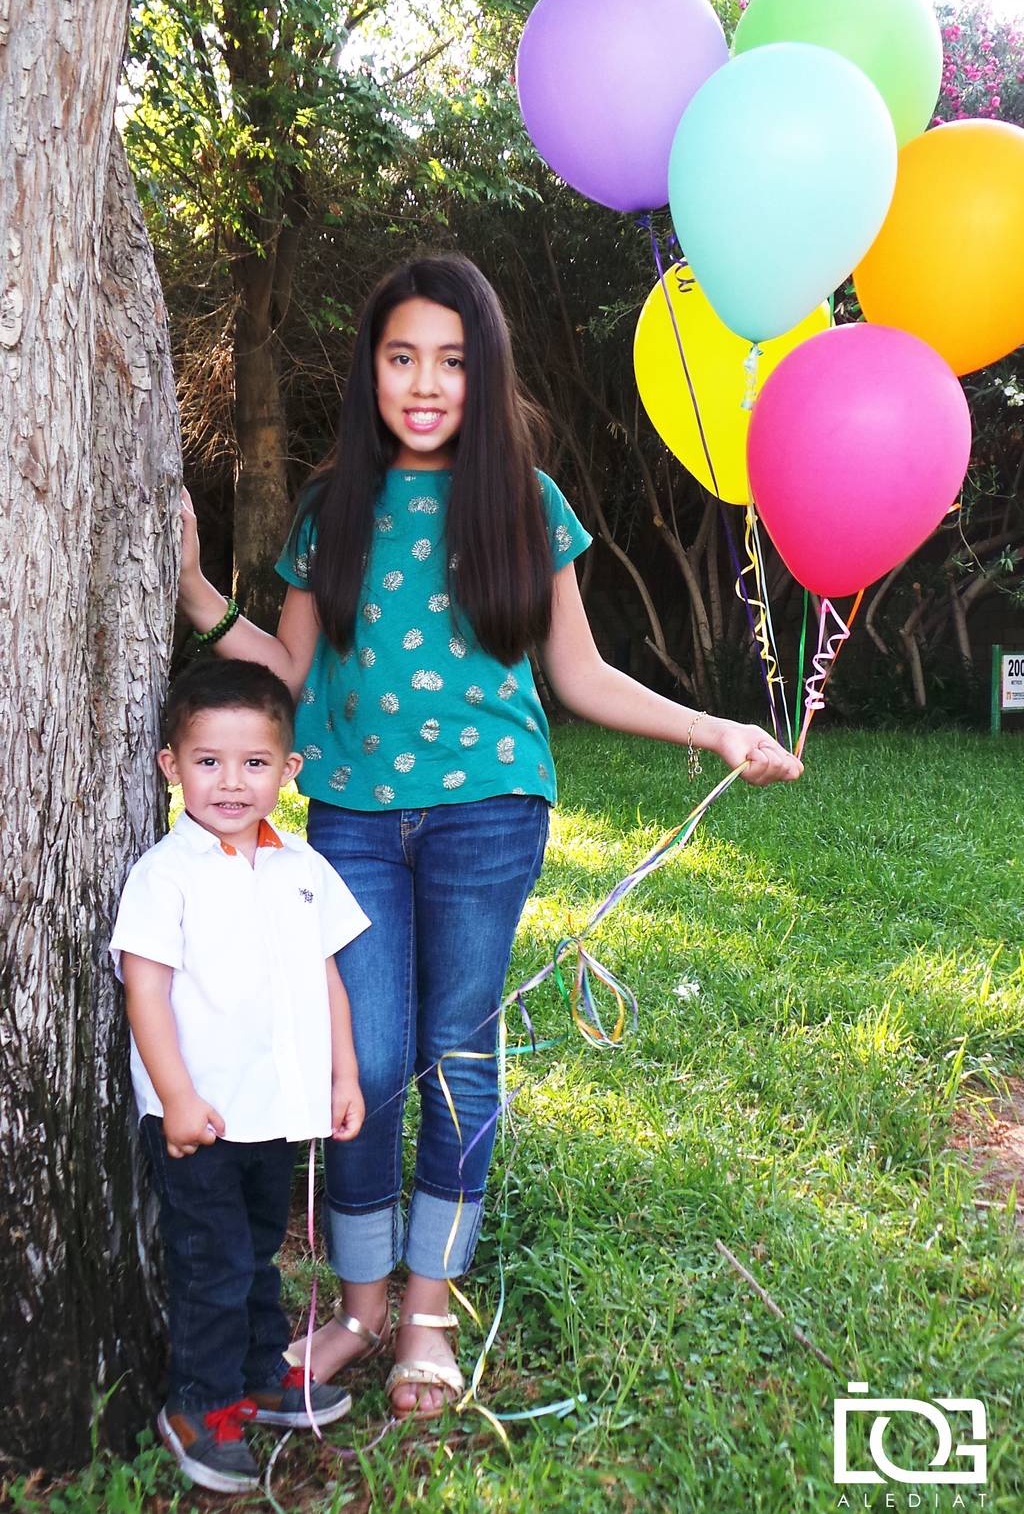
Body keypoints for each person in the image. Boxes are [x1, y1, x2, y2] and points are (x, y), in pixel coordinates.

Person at [176, 252, 803, 1419]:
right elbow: (287, 679)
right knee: (366, 1062)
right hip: (353, 822)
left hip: (490, 816)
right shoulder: (331, 511)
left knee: (457, 1056)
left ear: (485, 372)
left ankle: (425, 1312)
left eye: (452, 361)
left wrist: (716, 729)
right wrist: (199, 591)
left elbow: (581, 673)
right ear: (370, 371)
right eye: (401, 357)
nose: (424, 384)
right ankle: (360, 1307)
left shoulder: (526, 503)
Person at [111, 659, 371, 1494]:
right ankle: (202, 1404)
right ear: (171, 765)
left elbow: (328, 978)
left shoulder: (303, 868)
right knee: (212, 1264)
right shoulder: (165, 874)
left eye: (254, 762)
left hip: (278, 1111)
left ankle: (262, 1372)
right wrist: (177, 1097)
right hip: (202, 1116)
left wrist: (344, 1076)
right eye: (208, 761)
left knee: (257, 1252)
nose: (231, 782)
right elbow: (145, 989)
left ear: (288, 769)